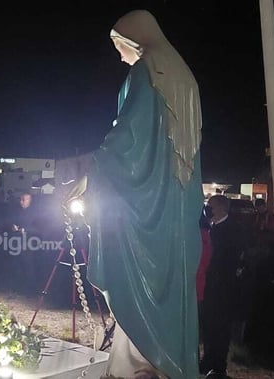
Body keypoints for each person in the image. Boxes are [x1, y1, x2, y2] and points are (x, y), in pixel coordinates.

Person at [86, 10, 203, 379]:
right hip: (177, 211)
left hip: (145, 208)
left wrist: (92, 169)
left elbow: (127, 136)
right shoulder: (185, 78)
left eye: (119, 46)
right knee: (171, 289)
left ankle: (137, 367)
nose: (120, 55)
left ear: (134, 39)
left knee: (137, 286)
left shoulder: (146, 70)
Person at [201, 195, 246, 378]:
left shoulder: (233, 230)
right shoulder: (212, 227)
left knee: (220, 328)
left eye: (210, 206)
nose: (207, 209)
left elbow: (230, 260)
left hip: (224, 288)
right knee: (209, 326)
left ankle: (219, 366)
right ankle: (208, 359)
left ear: (220, 208)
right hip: (209, 286)